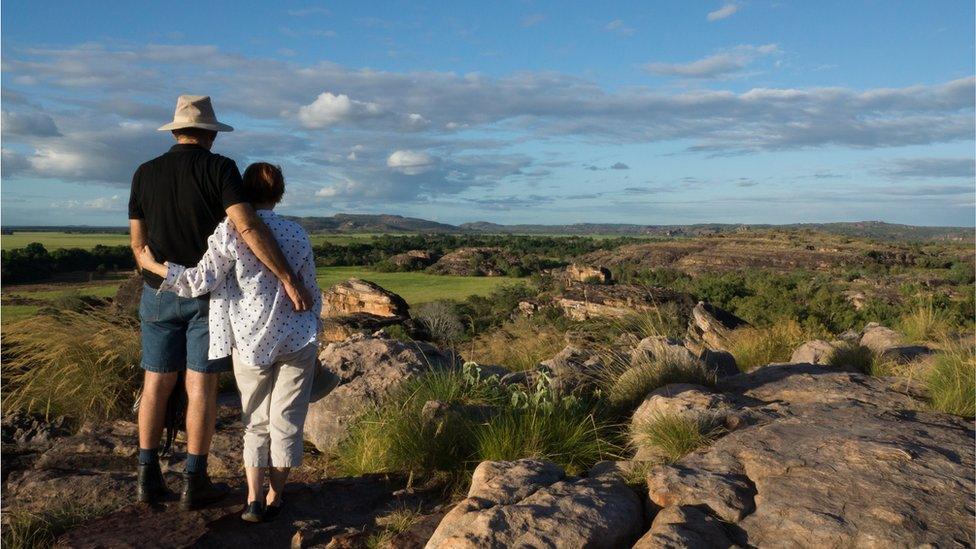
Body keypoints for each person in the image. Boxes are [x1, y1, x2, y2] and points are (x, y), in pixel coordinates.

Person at [129, 95, 314, 510]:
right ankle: (194, 481)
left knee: (155, 382)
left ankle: (146, 477)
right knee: (200, 384)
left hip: (157, 291)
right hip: (207, 297)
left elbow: (138, 245)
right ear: (210, 133)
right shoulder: (220, 168)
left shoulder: (143, 173)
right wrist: (287, 277)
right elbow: (246, 225)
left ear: (176, 130)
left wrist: (156, 269)